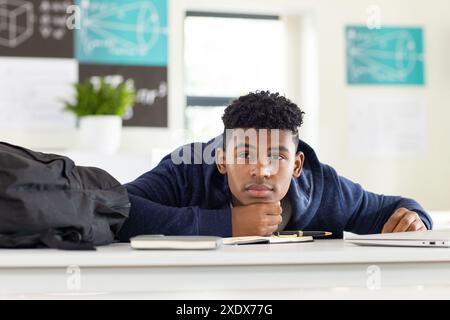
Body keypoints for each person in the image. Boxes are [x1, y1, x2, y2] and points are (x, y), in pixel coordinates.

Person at [118, 91, 432, 241]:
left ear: (297, 165)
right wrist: (227, 224)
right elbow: (116, 208)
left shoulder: (324, 188)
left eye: (277, 156)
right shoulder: (184, 171)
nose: (262, 170)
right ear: (223, 160)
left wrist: (416, 219)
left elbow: (396, 209)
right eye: (244, 154)